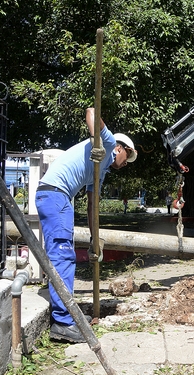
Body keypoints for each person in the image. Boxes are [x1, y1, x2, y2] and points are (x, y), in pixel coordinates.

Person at [35, 107, 137, 343]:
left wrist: (95, 239)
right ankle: (62, 322)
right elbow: (92, 111)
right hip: (55, 195)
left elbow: (93, 207)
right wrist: (97, 142)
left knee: (64, 254)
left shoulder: (99, 172)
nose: (125, 164)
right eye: (127, 158)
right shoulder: (108, 144)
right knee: (63, 256)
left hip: (57, 197)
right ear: (120, 149)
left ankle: (64, 316)